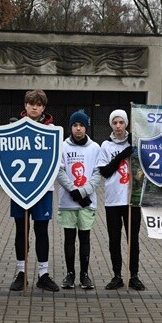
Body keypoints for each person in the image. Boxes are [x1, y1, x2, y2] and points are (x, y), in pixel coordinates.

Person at [8, 89, 60, 292]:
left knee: (41, 230)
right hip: (19, 187)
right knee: (21, 230)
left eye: (38, 104)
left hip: (43, 188)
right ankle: (22, 273)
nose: (34, 107)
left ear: (44, 108)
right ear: (25, 106)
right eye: (31, 104)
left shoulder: (53, 130)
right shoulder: (14, 128)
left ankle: (43, 274)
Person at [56, 110, 105, 290]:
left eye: (81, 125)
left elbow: (97, 174)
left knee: (85, 239)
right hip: (67, 201)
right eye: (75, 125)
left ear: (86, 127)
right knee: (69, 239)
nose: (78, 129)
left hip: (87, 202)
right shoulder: (62, 146)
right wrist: (72, 190)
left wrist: (83, 192)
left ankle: (84, 275)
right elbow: (59, 171)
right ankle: (70, 274)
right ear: (71, 127)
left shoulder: (95, 148)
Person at [98, 109, 146, 291]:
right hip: (113, 200)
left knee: (132, 239)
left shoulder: (135, 143)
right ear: (111, 124)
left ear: (126, 124)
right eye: (115, 123)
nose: (118, 126)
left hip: (131, 199)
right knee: (114, 239)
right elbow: (105, 171)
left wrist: (131, 150)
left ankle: (133, 275)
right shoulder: (106, 146)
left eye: (121, 122)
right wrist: (120, 155)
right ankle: (117, 275)